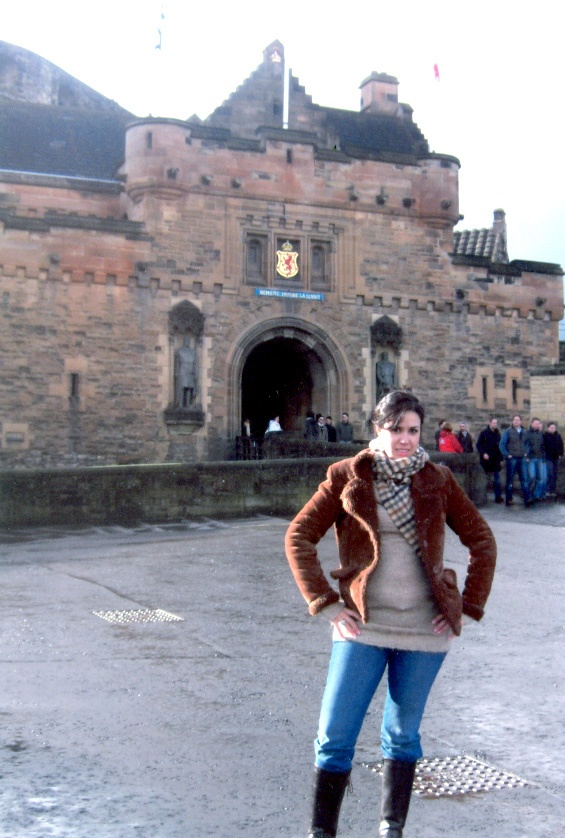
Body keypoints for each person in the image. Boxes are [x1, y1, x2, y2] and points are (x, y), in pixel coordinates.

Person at [285, 390, 496, 838]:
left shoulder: (437, 478)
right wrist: (327, 602)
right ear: (376, 430)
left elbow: (482, 541)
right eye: (395, 429)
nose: (404, 439)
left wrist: (467, 606)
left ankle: (391, 829)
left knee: (402, 735)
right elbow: (299, 535)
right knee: (334, 736)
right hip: (363, 624)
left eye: (412, 430)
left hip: (424, 629)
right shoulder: (347, 476)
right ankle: (321, 832)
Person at [499, 414, 531, 507]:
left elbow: (528, 444)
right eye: (515, 420)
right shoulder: (508, 431)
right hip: (512, 458)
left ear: (520, 421)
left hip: (522, 458)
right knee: (510, 480)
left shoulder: (525, 432)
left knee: (524, 479)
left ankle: (527, 499)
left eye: (518, 420)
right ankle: (508, 499)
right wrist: (507, 455)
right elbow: (502, 444)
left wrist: (526, 453)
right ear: (512, 421)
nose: (516, 421)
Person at [476, 417, 503, 503]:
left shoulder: (498, 433)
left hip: (496, 460)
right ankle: (483, 497)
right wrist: (483, 453)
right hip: (486, 460)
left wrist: (501, 458)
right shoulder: (484, 433)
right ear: (489, 423)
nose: (495, 425)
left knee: (497, 479)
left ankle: (498, 497)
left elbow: (499, 447)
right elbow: (478, 445)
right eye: (493, 423)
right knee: (485, 479)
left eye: (496, 423)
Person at [524, 418, 546, 502]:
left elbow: (543, 446)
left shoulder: (540, 434)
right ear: (531, 424)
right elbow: (524, 445)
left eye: (538, 423)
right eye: (535, 423)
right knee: (532, 476)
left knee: (540, 478)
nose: (537, 425)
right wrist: (526, 456)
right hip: (531, 458)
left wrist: (543, 456)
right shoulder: (527, 433)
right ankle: (527, 493)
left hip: (540, 458)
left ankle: (535, 495)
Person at [543, 422, 563, 497]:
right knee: (549, 473)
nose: (552, 429)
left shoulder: (558, 436)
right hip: (548, 457)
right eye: (551, 427)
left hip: (556, 457)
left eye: (554, 427)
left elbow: (561, 446)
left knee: (555, 474)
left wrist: (560, 454)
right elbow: (543, 446)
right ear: (548, 428)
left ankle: (552, 490)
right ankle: (547, 490)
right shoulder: (545, 436)